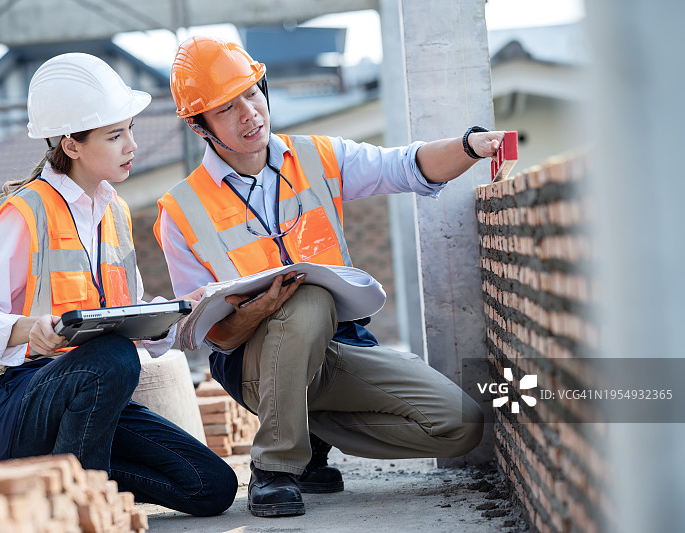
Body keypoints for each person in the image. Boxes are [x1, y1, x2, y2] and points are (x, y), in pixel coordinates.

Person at [155, 36, 492, 518]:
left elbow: (405, 166)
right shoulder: (181, 211)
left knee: (462, 425)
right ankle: (274, 468)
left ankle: (304, 434)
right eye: (227, 107)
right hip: (253, 364)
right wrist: (263, 309)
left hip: (340, 348)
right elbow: (214, 336)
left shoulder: (315, 157)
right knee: (309, 300)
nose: (250, 113)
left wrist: (469, 146)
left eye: (252, 93)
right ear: (199, 125)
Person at [0, 52, 237, 517]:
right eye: (114, 134)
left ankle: (72, 484)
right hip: (10, 400)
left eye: (130, 130)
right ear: (72, 145)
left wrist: (179, 311)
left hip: (90, 393)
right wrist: (32, 329)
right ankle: (82, 510)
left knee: (213, 487)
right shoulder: (26, 213)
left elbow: (125, 313)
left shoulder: (114, 212)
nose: (132, 145)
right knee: (114, 357)